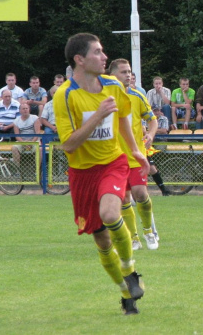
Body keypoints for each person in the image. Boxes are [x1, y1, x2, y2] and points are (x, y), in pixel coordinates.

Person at [53, 33, 149, 315]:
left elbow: (122, 119)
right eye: (97, 52)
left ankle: (130, 271)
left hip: (112, 163)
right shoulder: (65, 95)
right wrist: (97, 115)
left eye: (103, 52)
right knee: (102, 240)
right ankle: (125, 294)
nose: (104, 57)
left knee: (110, 215)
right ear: (79, 60)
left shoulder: (113, 85)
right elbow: (68, 144)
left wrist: (135, 151)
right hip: (82, 173)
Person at [109, 58, 160, 252]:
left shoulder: (137, 97)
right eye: (123, 72)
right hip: (115, 159)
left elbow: (152, 120)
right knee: (123, 199)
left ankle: (149, 231)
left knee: (140, 194)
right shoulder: (106, 100)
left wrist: (150, 134)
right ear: (112, 75)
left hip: (136, 156)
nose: (128, 75)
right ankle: (134, 237)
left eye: (129, 71)